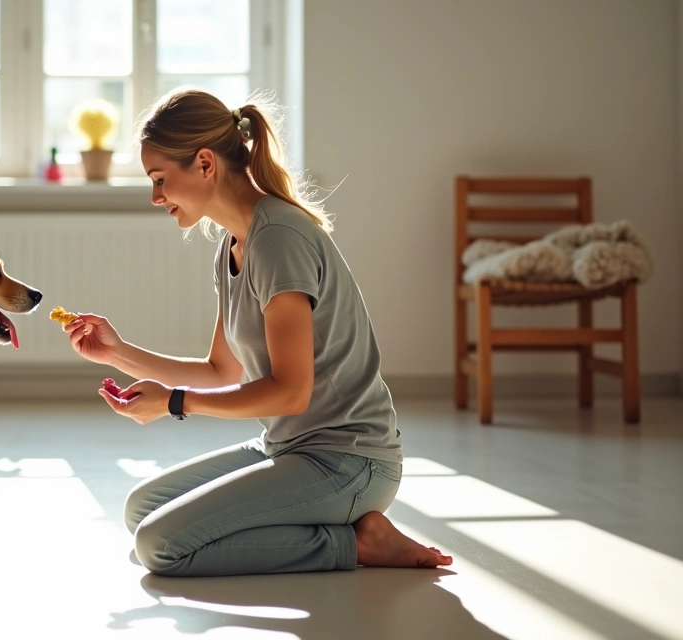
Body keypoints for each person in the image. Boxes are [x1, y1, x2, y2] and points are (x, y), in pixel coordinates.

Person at [63, 88, 453, 577]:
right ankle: (330, 528)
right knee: (142, 510)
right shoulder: (235, 242)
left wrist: (174, 402)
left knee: (160, 547)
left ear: (205, 163)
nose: (156, 197)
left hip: (348, 462)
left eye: (161, 179)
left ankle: (356, 544)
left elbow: (290, 393)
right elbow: (220, 370)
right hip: (287, 447)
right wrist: (117, 353)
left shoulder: (278, 239)